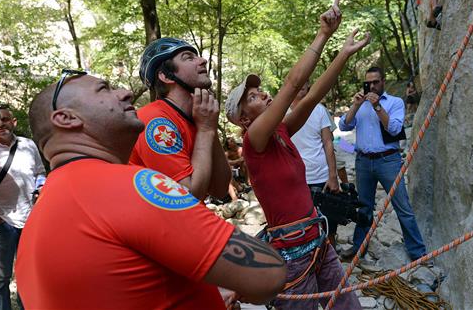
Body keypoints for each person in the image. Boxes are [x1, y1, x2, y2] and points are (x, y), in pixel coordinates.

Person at [16, 71, 286, 309]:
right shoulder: (128, 186)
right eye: (104, 89)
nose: (125, 92)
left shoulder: (32, 231)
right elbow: (268, 275)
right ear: (66, 118)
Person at [225, 0, 370, 310]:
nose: (262, 92)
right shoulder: (254, 141)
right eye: (252, 95)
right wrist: (323, 35)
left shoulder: (278, 131)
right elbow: (292, 85)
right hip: (292, 256)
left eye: (258, 89)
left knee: (349, 307)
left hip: (318, 241)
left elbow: (310, 95)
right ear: (244, 119)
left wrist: (342, 54)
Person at [338, 67, 428, 263]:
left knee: (402, 206)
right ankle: (359, 248)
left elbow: (394, 129)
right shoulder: (360, 104)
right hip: (363, 161)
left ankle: (418, 253)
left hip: (388, 160)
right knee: (364, 207)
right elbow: (343, 126)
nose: (371, 86)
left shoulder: (395, 102)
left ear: (383, 81)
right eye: (368, 82)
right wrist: (355, 105)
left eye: (375, 82)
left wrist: (378, 106)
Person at [129, 38, 231, 201]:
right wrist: (205, 130)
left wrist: (208, 127)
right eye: (188, 57)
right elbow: (187, 197)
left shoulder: (198, 119)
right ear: (166, 76)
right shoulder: (154, 121)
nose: (203, 60)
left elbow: (219, 190)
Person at [0, 105, 46, 310]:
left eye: (5, 120)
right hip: (0, 223)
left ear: (14, 123)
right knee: (0, 279)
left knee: (26, 274)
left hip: (30, 220)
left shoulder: (28, 144)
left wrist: (40, 188)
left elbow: (40, 172)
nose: (1, 125)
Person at [289, 81, 341, 248]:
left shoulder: (319, 110)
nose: (302, 83)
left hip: (321, 175)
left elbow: (328, 143)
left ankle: (333, 261)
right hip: (295, 179)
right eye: (299, 79)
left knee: (329, 222)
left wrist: (333, 176)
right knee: (302, 225)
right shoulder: (282, 112)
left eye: (306, 80)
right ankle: (310, 262)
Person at [224, 136, 249, 202]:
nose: (234, 141)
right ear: (229, 146)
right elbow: (226, 162)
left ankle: (247, 182)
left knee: (245, 163)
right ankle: (237, 189)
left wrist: (239, 161)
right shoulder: (227, 153)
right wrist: (237, 161)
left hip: (243, 171)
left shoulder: (241, 149)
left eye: (233, 140)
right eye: (231, 141)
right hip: (233, 172)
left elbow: (245, 159)